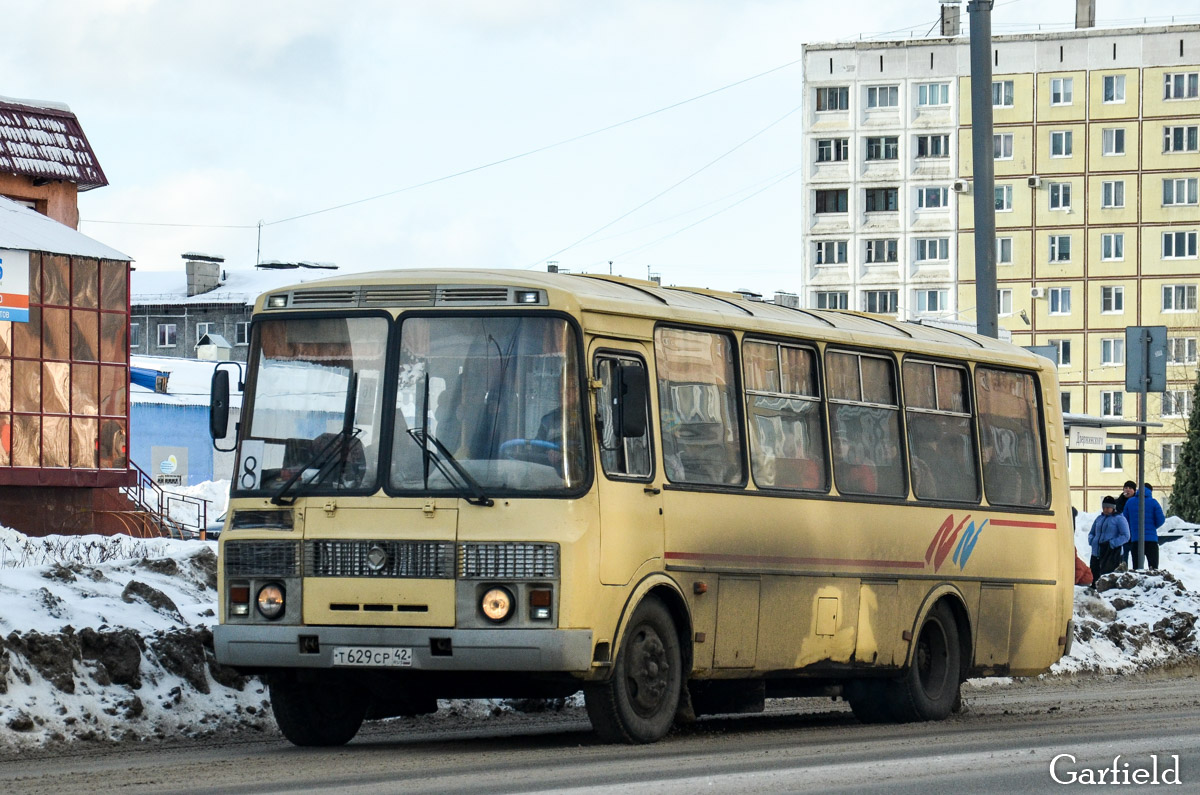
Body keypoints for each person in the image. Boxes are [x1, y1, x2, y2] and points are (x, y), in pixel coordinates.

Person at [1121, 483, 1166, 569]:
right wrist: (1152, 527)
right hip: (1151, 540)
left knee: (1137, 568)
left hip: (1136, 539)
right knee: (1153, 567)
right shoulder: (1153, 502)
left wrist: (1133, 528)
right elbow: (1161, 520)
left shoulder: (1130, 502)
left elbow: (1124, 520)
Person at [1089, 496, 1130, 580]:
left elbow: (1126, 536)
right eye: (1104, 507)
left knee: (1108, 577)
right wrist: (1092, 541)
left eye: (1108, 507)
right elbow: (1092, 532)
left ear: (1113, 508)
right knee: (1094, 576)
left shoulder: (1119, 519)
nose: (1106, 509)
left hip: (1111, 553)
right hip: (1096, 553)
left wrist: (1112, 543)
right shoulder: (1099, 518)